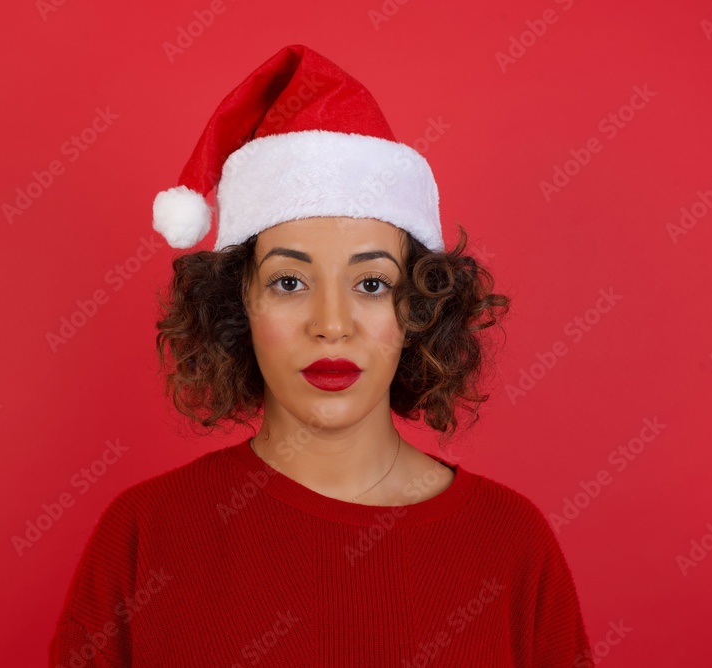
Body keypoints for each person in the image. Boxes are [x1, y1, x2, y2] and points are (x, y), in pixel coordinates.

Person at [49, 44, 594, 667]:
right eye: (289, 282)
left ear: (419, 307)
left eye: (371, 284)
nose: (331, 326)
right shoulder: (145, 534)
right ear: (237, 304)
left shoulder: (510, 544)